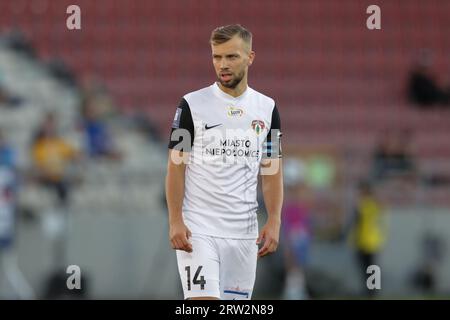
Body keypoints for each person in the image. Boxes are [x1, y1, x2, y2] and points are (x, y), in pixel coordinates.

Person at [165, 24, 283, 300]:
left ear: (250, 57)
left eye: (231, 57)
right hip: (199, 230)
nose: (223, 64)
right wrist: (175, 220)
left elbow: (272, 169)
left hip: (244, 234)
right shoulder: (191, 105)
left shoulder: (267, 109)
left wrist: (274, 219)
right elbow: (175, 166)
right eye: (217, 57)